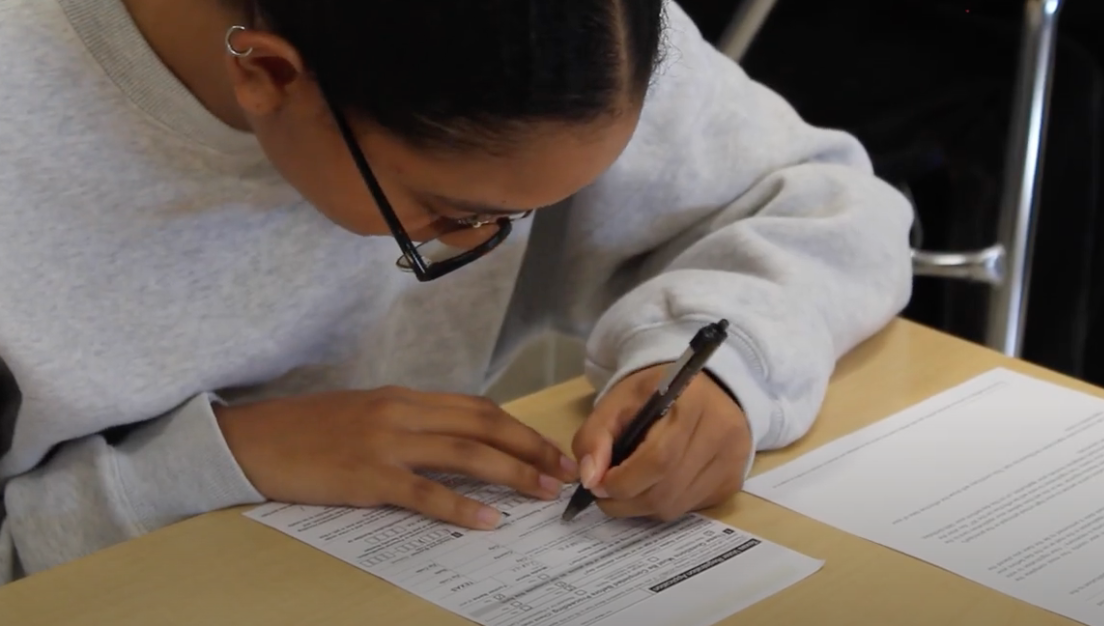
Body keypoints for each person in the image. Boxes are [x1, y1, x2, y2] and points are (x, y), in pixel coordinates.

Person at [0, 0, 913, 584]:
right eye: (452, 215)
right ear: (268, 75)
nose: (492, 237)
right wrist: (220, 461)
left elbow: (832, 205)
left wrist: (724, 363)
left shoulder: (558, 38)